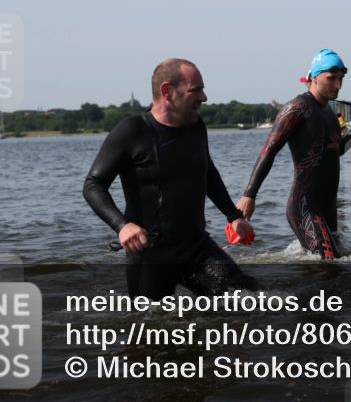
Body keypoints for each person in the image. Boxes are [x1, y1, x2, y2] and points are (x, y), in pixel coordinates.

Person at [83, 58, 256, 299]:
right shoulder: (132, 130)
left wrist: (233, 217)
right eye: (196, 90)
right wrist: (122, 226)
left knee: (250, 298)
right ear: (167, 91)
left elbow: (208, 172)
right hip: (150, 255)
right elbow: (93, 185)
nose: (204, 97)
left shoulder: (196, 126)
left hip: (196, 247)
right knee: (151, 329)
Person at [236, 49, 351, 259]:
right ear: (314, 77)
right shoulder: (297, 108)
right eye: (331, 78)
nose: (338, 85)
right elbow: (269, 151)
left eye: (341, 79)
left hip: (328, 207)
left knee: (337, 267)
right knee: (330, 267)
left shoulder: (329, 113)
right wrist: (249, 195)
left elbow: (335, 152)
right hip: (305, 206)